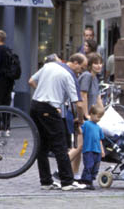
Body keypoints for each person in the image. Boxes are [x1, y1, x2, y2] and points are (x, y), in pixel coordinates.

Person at [28, 53, 87, 190]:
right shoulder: (69, 75)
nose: (81, 71)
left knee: (42, 145)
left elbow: (30, 81)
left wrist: (44, 93)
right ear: (75, 63)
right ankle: (67, 181)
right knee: (60, 144)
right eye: (82, 68)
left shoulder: (49, 65)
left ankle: (46, 181)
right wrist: (80, 119)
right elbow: (78, 104)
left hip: (35, 105)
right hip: (50, 109)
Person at [79, 105, 106, 190]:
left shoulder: (99, 128)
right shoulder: (86, 124)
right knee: (89, 165)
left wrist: (102, 150)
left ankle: (88, 179)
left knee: (95, 167)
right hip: (88, 149)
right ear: (91, 114)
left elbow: (100, 140)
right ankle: (87, 181)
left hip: (97, 150)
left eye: (100, 117)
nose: (99, 119)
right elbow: (80, 131)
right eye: (98, 117)